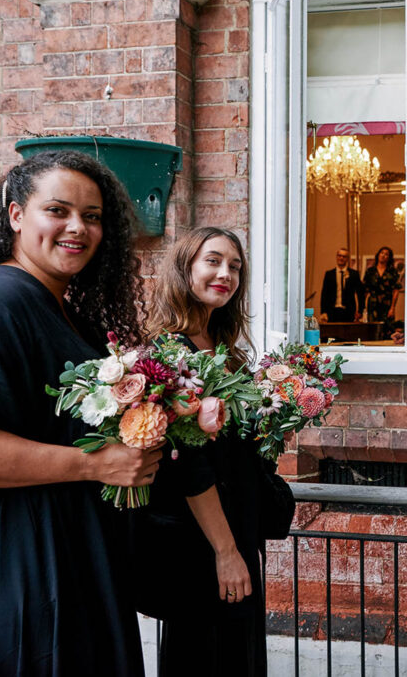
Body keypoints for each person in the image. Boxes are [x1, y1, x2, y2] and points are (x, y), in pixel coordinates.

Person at [0, 150, 158, 675]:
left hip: (69, 563)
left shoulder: (59, 306)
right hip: (3, 570)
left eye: (92, 216)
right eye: (58, 210)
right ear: (17, 215)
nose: (77, 228)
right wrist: (96, 464)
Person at [132, 227, 294, 676]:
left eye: (235, 266)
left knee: (238, 655)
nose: (226, 273)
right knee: (204, 657)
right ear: (185, 269)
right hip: (202, 541)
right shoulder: (170, 353)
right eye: (213, 261)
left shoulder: (226, 353)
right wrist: (225, 552)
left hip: (238, 526)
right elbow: (190, 466)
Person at [320, 247, 364, 323]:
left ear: (347, 259)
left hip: (349, 311)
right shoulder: (329, 274)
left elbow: (360, 293)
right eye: (339, 255)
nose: (341, 258)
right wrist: (323, 312)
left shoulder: (354, 274)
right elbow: (324, 294)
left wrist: (360, 311)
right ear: (336, 257)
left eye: (344, 256)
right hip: (332, 311)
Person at [363, 245, 401, 329]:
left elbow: (396, 290)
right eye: (382, 253)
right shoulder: (370, 271)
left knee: (387, 328)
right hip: (373, 304)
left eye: (386, 254)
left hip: (386, 304)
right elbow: (365, 290)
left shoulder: (392, 272)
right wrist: (363, 308)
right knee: (372, 329)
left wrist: (393, 307)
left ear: (389, 258)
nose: (383, 256)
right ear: (378, 255)